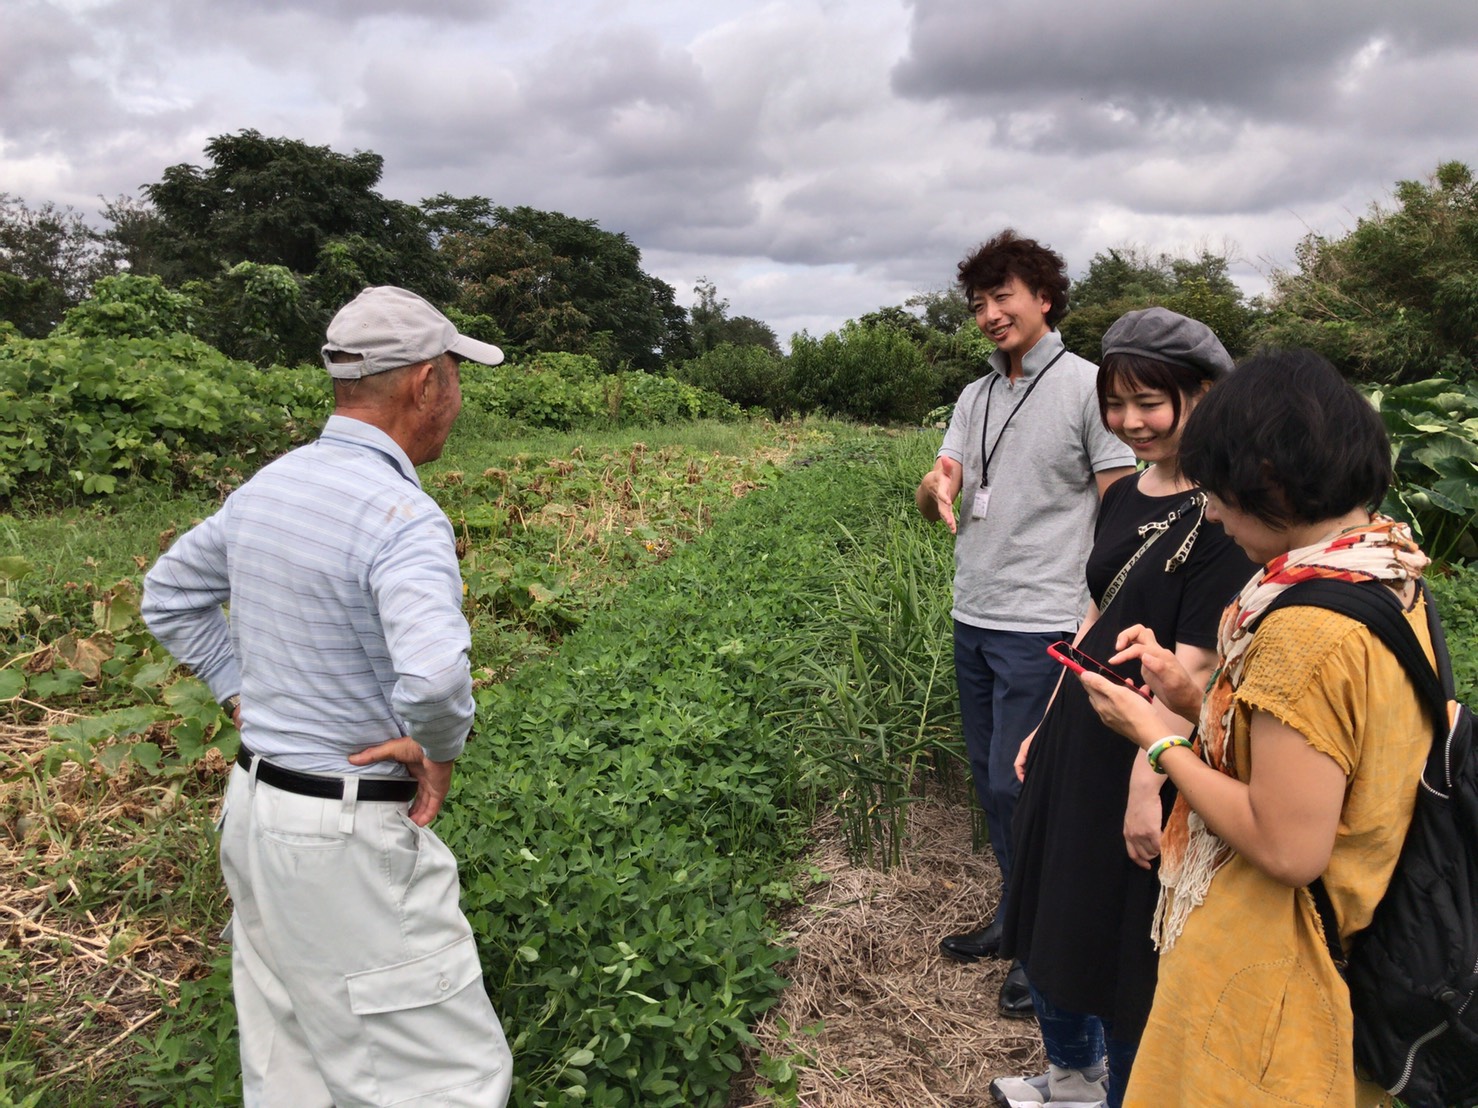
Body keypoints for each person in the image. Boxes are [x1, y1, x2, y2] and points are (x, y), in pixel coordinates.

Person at [142, 286, 515, 1107]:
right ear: (425, 383)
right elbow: (435, 678)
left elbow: (168, 594)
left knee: (291, 1068)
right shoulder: (400, 514)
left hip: (256, 813)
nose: (456, 395)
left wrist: (238, 689)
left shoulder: (271, 486)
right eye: (455, 372)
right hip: (343, 838)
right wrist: (438, 748)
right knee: (441, 1081)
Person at [1080, 349, 1434, 1108]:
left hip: (1272, 974)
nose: (1209, 512)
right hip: (1359, 928)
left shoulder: (1303, 631)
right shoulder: (1389, 571)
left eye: (1219, 492)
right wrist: (1191, 693)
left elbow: (1288, 846)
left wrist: (1157, 737)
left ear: (1271, 476)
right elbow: (1326, 751)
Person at [990, 309, 1255, 1108]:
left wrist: (1151, 786)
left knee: (1121, 948)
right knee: (1047, 916)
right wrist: (1047, 717)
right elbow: (1095, 613)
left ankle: (1126, 1095)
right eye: (1117, 402)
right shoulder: (1126, 495)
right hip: (1084, 726)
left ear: (1204, 395)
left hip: (1147, 751)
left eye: (1152, 402)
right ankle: (1072, 1077)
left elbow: (1200, 670)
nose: (1130, 422)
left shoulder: (1225, 516)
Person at [917, 230, 1136, 1015]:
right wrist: (933, 487)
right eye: (977, 303)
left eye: (1004, 296)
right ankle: (1016, 918)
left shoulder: (1089, 387)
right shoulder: (974, 396)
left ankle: (1043, 940)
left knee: (1027, 785)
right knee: (991, 783)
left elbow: (1122, 507)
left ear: (1044, 297)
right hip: (973, 611)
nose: (989, 314)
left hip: (1044, 622)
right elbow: (942, 486)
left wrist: (1095, 623)